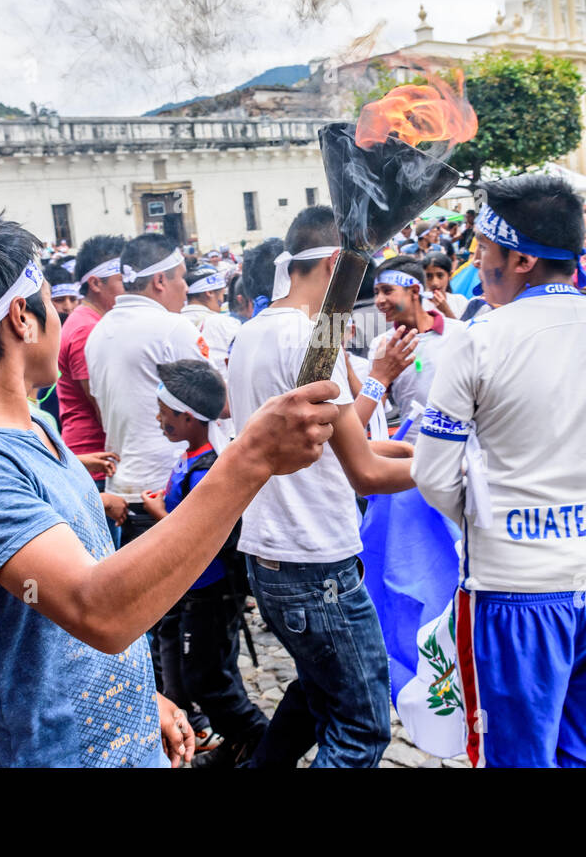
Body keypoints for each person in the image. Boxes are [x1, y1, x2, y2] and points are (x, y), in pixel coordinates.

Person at [0, 211, 338, 767]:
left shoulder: (32, 427)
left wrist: (139, 700)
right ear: (22, 317)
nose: (63, 316)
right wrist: (248, 460)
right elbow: (95, 608)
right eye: (53, 302)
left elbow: (58, 618)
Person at [412, 174, 586, 767]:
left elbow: (434, 475)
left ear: (520, 258)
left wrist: (495, 513)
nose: (476, 261)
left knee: (520, 758)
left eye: (483, 248)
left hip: (515, 592)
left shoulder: (479, 340)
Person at [227, 205, 416, 768]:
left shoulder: (254, 333)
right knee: (359, 728)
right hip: (314, 563)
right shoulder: (309, 343)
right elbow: (366, 474)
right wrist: (466, 470)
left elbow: (334, 448)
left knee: (314, 694)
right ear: (340, 263)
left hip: (274, 553)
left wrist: (411, 447)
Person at [138, 359, 268, 768]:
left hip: (210, 590)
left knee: (208, 678)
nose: (159, 419)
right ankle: (237, 746)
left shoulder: (209, 466)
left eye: (166, 413)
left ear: (190, 418)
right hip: (189, 588)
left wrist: (161, 513)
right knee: (200, 669)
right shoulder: (192, 455)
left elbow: (202, 533)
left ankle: (261, 741)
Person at [85, 234, 209, 548]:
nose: (186, 288)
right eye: (182, 278)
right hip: (170, 489)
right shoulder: (172, 328)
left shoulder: (99, 331)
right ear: (159, 281)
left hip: (124, 493)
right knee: (204, 593)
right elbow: (213, 406)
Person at [56, 235, 126, 496]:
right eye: (122, 280)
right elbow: (103, 409)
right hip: (95, 461)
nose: (130, 287)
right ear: (96, 283)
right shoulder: (87, 329)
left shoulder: (88, 322)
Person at [364, 257, 450, 443]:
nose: (379, 300)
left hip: (459, 454)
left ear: (415, 291)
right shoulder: (382, 345)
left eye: (387, 291)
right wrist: (379, 376)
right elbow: (374, 409)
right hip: (410, 457)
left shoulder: (457, 333)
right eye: (376, 292)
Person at [420, 252, 469, 319]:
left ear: (449, 276)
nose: (435, 283)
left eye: (440, 275)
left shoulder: (460, 301)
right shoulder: (419, 305)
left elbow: (465, 328)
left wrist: (446, 311)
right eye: (429, 276)